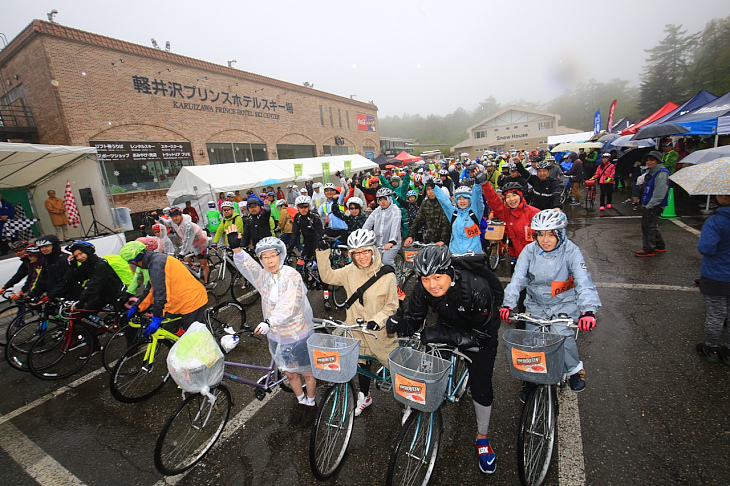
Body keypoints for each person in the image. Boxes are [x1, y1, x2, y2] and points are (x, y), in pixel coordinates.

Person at [387, 245, 504, 474]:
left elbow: (481, 338)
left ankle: (482, 438)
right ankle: (427, 405)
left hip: (480, 333)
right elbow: (414, 319)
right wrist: (400, 324)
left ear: (450, 272)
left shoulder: (477, 288)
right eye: (426, 279)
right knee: (430, 369)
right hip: (448, 325)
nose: (432, 285)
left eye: (438, 277)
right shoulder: (423, 289)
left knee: (481, 386)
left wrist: (441, 336)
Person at [500, 209, 601, 394]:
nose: (545, 240)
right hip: (535, 304)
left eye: (551, 234)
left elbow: (583, 280)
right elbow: (518, 279)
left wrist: (588, 310)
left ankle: (574, 370)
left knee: (562, 335)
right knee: (531, 342)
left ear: (561, 234)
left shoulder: (571, 251)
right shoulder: (529, 251)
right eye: (540, 234)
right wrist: (508, 303)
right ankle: (530, 378)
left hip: (563, 303)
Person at [226, 228, 318, 425]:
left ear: (281, 255)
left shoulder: (291, 275)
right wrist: (236, 250)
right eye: (264, 257)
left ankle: (311, 402)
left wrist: (269, 322)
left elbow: (290, 305)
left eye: (273, 256)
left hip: (297, 335)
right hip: (276, 337)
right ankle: (300, 401)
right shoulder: (265, 276)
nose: (269, 261)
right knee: (290, 373)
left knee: (307, 373)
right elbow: (249, 268)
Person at [316, 229, 399, 417]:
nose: (362, 256)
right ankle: (365, 395)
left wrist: (376, 321)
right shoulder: (349, 272)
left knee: (395, 368)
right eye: (357, 253)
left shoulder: (387, 275)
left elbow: (392, 306)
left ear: (373, 250)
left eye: (365, 251)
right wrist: (322, 253)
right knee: (362, 364)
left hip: (380, 333)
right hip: (355, 329)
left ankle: (407, 404)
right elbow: (327, 276)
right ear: (352, 255)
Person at [121, 240, 208, 337]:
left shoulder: (156, 264)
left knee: (196, 337)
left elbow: (160, 292)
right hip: (178, 301)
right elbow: (150, 290)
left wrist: (157, 316)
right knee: (168, 329)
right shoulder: (153, 261)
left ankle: (207, 348)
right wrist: (137, 307)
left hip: (191, 301)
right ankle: (183, 342)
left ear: (134, 261)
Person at [695, 194, 730, 364]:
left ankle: (711, 348)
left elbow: (706, 248)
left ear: (724, 196)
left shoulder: (716, 222)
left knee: (716, 314)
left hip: (716, 275)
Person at [481, 181, 540, 273]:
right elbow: (494, 202)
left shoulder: (534, 213)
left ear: (520, 196)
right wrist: (485, 184)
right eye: (507, 197)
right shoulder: (508, 214)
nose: (511, 199)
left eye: (514, 195)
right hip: (519, 261)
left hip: (537, 261)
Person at [157, 208, 210, 283]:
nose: (175, 218)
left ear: (181, 215)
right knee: (185, 262)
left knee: (203, 264)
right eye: (172, 217)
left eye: (176, 216)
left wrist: (182, 253)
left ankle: (206, 283)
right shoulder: (173, 222)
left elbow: (187, 240)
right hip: (191, 245)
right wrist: (157, 218)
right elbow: (165, 223)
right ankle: (194, 274)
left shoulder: (188, 225)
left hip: (200, 243)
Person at [434, 177, 484, 255]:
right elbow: (444, 201)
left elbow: (477, 198)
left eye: (465, 198)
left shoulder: (474, 212)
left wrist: (477, 184)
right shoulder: (454, 213)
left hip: (473, 255)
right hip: (455, 254)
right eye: (459, 199)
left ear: (470, 200)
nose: (462, 201)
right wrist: (435, 188)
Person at [635, 151, 670, 257]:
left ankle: (648, 248)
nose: (649, 162)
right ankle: (659, 245)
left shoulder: (661, 173)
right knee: (652, 225)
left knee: (648, 226)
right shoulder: (651, 172)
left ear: (658, 161)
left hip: (654, 204)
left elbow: (660, 191)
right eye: (648, 160)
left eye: (652, 160)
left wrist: (650, 205)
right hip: (648, 202)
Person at [403, 182, 451, 248]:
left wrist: (443, 240)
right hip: (429, 240)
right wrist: (410, 236)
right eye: (428, 189)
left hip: (444, 242)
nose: (430, 192)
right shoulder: (425, 204)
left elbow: (446, 224)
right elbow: (418, 220)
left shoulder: (444, 204)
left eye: (432, 189)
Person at [362, 188, 402, 266]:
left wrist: (392, 242)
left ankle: (394, 276)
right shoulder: (377, 211)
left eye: (385, 199)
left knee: (386, 261)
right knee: (373, 262)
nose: (382, 202)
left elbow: (395, 226)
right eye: (380, 200)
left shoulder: (395, 210)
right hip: (378, 243)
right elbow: (367, 225)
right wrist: (362, 236)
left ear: (389, 199)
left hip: (392, 243)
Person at [27, 235, 70, 301]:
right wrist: (31, 295)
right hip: (53, 295)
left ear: (54, 246)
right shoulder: (46, 261)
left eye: (46, 246)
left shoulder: (65, 259)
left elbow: (65, 281)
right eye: (41, 247)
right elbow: (42, 279)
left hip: (67, 296)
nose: (44, 249)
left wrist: (50, 296)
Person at [286, 195, 324, 260]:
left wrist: (315, 254)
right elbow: (294, 235)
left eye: (305, 207)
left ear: (309, 206)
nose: (303, 209)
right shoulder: (297, 217)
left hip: (318, 243)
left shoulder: (314, 217)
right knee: (300, 264)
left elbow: (318, 235)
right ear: (297, 207)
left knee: (317, 266)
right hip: (307, 244)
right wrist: (288, 251)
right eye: (301, 207)